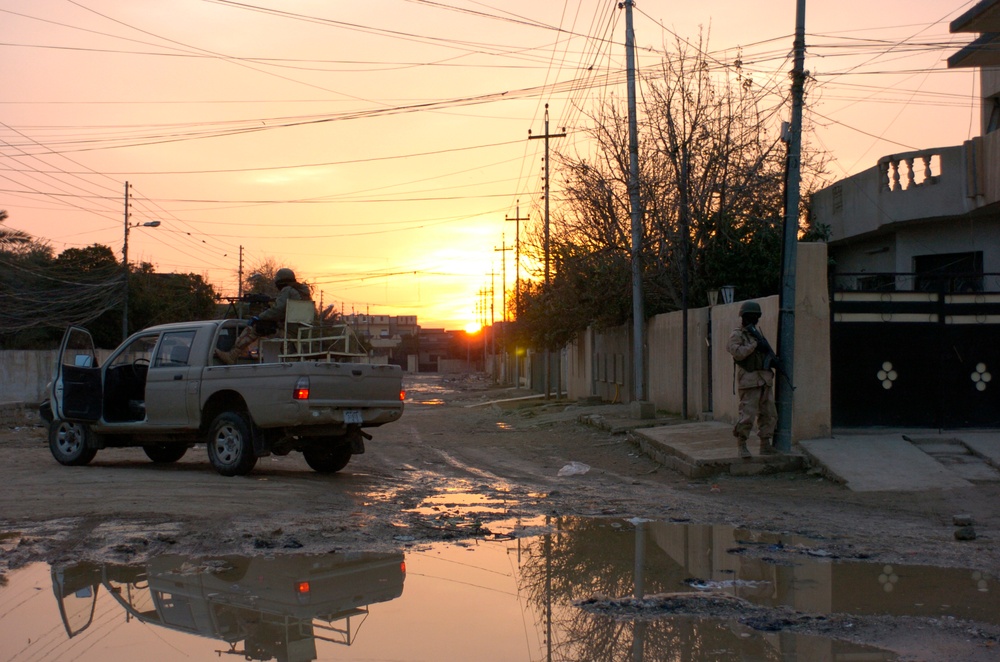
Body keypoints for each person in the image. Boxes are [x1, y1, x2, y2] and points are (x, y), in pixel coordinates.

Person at [215, 268, 312, 365]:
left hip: (288, 333)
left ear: (280, 282)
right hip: (302, 332)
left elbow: (277, 311)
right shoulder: (304, 292)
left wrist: (259, 317)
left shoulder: (288, 290)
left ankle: (233, 355)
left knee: (256, 327)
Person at [726, 300, 779, 459]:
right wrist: (754, 346)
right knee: (747, 415)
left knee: (769, 413)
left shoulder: (757, 333)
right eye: (751, 316)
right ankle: (742, 445)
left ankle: (765, 444)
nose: (754, 319)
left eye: (756, 316)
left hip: (764, 379)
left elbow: (765, 354)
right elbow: (736, 352)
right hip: (749, 380)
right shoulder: (738, 334)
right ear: (744, 317)